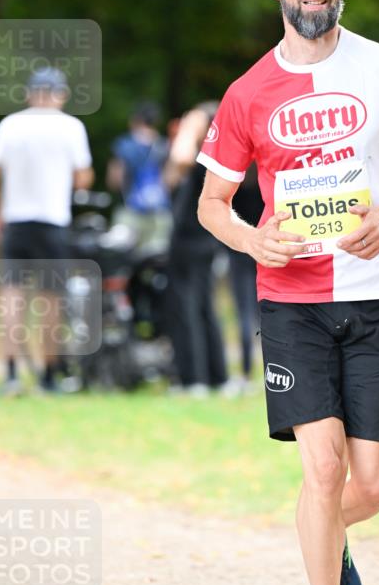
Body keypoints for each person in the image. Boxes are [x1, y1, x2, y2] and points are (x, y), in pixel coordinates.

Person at [197, 0, 379, 585]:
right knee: (323, 471)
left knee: (374, 485)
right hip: (290, 302)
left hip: (377, 294)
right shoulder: (247, 92)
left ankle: (325, 536)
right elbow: (211, 203)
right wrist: (249, 240)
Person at [0, 67, 94, 394]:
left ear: (30, 93)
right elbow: (83, 178)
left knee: (12, 297)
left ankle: (11, 374)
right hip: (52, 222)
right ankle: (48, 376)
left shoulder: (10, 125)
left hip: (15, 222)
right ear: (60, 94)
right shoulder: (71, 127)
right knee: (50, 300)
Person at [166, 102, 230, 397]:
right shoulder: (219, 156)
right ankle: (218, 377)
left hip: (189, 239)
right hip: (207, 238)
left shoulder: (201, 152)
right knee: (205, 307)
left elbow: (179, 159)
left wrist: (190, 127)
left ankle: (194, 379)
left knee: (186, 308)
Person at [107, 101, 171, 249]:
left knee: (121, 256)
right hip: (159, 213)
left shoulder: (124, 145)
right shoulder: (164, 145)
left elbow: (115, 181)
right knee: (154, 257)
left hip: (129, 211)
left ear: (134, 120)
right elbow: (169, 181)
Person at [227, 165, 264, 393]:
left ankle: (246, 372)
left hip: (240, 255)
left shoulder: (234, 188)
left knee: (244, 315)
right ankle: (272, 369)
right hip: (263, 253)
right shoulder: (263, 183)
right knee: (265, 315)